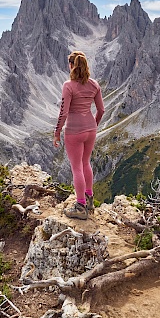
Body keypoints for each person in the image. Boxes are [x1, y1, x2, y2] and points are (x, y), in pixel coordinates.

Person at [53, 50, 104, 220]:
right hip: (91, 128)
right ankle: (89, 200)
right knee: (86, 163)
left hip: (74, 131)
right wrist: (93, 126)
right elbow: (101, 110)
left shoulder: (68, 85)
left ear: (71, 66)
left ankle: (80, 206)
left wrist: (57, 132)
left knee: (76, 168)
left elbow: (64, 113)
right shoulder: (94, 84)